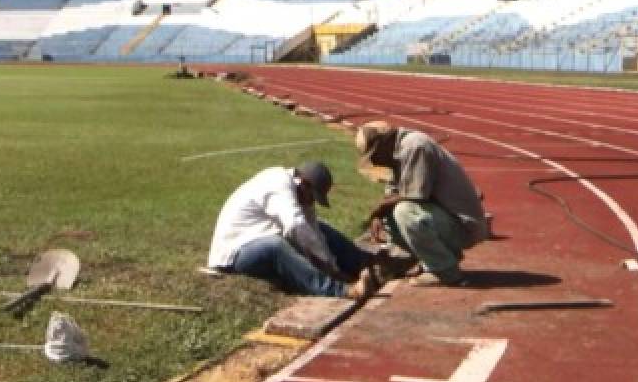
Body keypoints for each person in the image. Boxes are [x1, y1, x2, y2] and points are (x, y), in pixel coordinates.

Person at [206, 162, 378, 301]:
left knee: (322, 229)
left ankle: (365, 266)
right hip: (234, 254)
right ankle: (341, 291)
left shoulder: (301, 194)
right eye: (312, 197)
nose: (312, 203)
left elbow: (314, 232)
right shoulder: (278, 184)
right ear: (303, 184)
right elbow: (295, 227)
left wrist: (331, 265)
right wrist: (331, 271)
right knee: (276, 247)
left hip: (258, 240)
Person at [355, 121, 488, 287]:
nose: (374, 162)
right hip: (446, 218)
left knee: (405, 213)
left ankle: (446, 272)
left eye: (374, 155)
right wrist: (379, 215)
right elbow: (394, 191)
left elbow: (415, 196)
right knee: (390, 216)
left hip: (464, 226)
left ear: (385, 142)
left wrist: (379, 210)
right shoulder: (397, 151)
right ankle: (438, 259)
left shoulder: (415, 147)